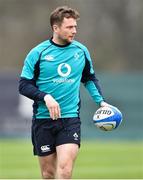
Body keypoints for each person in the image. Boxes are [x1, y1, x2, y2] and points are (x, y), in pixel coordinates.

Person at [19, 6, 111, 179]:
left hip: (69, 119)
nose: (74, 31)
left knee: (65, 170)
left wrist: (101, 101)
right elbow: (24, 85)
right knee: (48, 174)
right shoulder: (38, 53)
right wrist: (45, 97)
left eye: (75, 27)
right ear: (55, 28)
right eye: (69, 27)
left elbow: (89, 78)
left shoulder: (81, 51)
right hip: (43, 120)